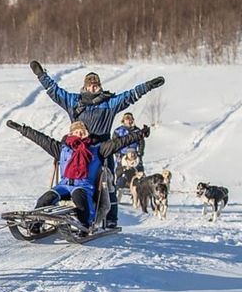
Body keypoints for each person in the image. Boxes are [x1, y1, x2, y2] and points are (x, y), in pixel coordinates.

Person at [28, 62, 165, 226]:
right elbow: (55, 91)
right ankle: (55, 213)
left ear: (100, 86)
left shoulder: (109, 103)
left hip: (102, 150)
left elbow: (130, 95)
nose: (93, 88)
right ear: (84, 87)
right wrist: (41, 75)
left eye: (96, 85)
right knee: (76, 182)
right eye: (90, 86)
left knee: (108, 183)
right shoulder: (74, 102)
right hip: (78, 149)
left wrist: (148, 86)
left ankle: (111, 219)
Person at [6, 118, 149, 234]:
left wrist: (140, 134)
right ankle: (35, 225)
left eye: (82, 131)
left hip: (84, 186)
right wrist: (22, 129)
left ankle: (86, 224)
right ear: (70, 134)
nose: (80, 134)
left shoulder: (97, 149)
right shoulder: (62, 148)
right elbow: (41, 139)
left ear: (87, 133)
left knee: (79, 199)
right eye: (76, 131)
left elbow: (120, 142)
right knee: (45, 199)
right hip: (63, 186)